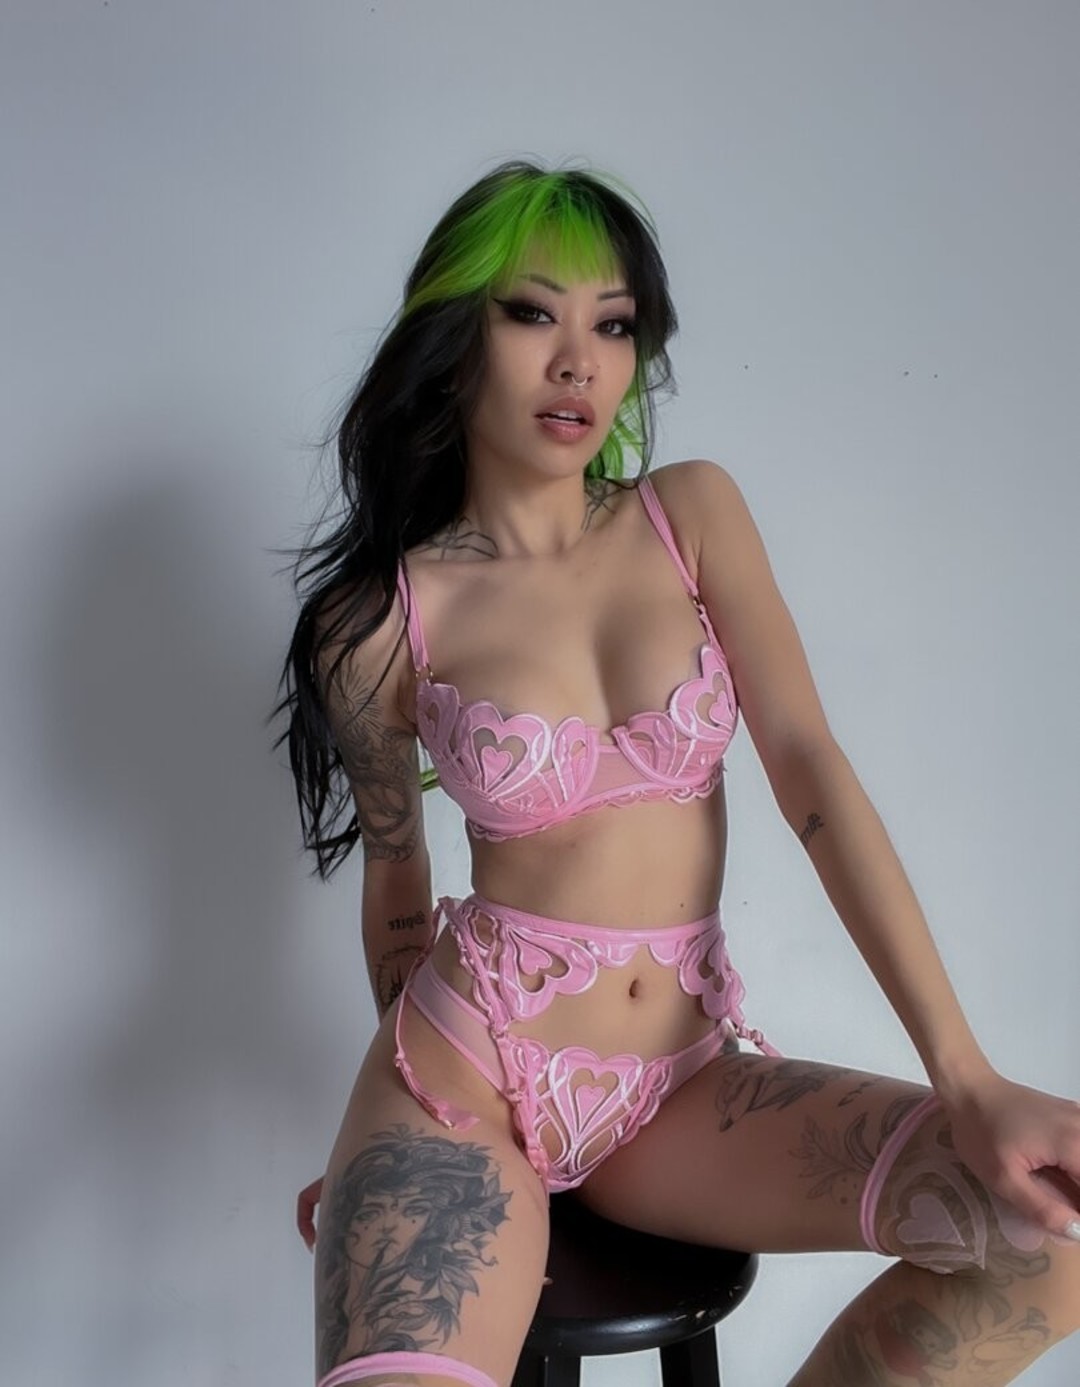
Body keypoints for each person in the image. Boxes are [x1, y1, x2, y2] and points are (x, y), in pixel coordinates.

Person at [273, 159, 1080, 1387]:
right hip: (465, 1078)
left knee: (1054, 1242)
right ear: (454, 336)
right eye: (532, 314)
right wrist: (391, 1143)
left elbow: (810, 773)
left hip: (679, 1095)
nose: (579, 364)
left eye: (613, 326)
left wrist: (964, 1078)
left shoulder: (687, 514)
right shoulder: (380, 623)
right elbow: (398, 878)